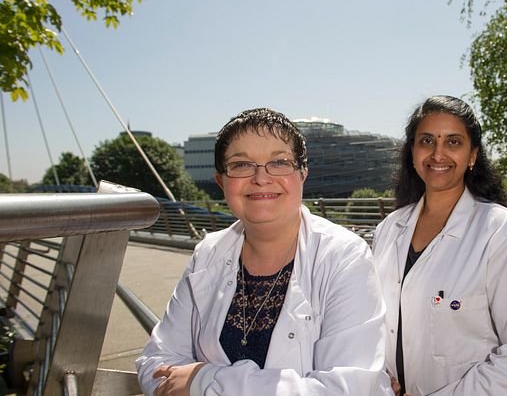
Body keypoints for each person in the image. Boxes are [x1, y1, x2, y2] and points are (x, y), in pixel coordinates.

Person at [137, 108, 393, 396]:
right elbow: (155, 360)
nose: (261, 178)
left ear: (302, 174)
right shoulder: (207, 253)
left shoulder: (344, 256)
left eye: (279, 162)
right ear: (221, 181)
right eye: (241, 164)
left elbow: (348, 390)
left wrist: (203, 381)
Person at [372, 95, 507, 396]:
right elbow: (372, 324)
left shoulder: (503, 233)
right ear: (412, 152)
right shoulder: (388, 230)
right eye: (427, 140)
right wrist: (379, 378)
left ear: (472, 155)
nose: (438, 153)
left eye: (453, 142)